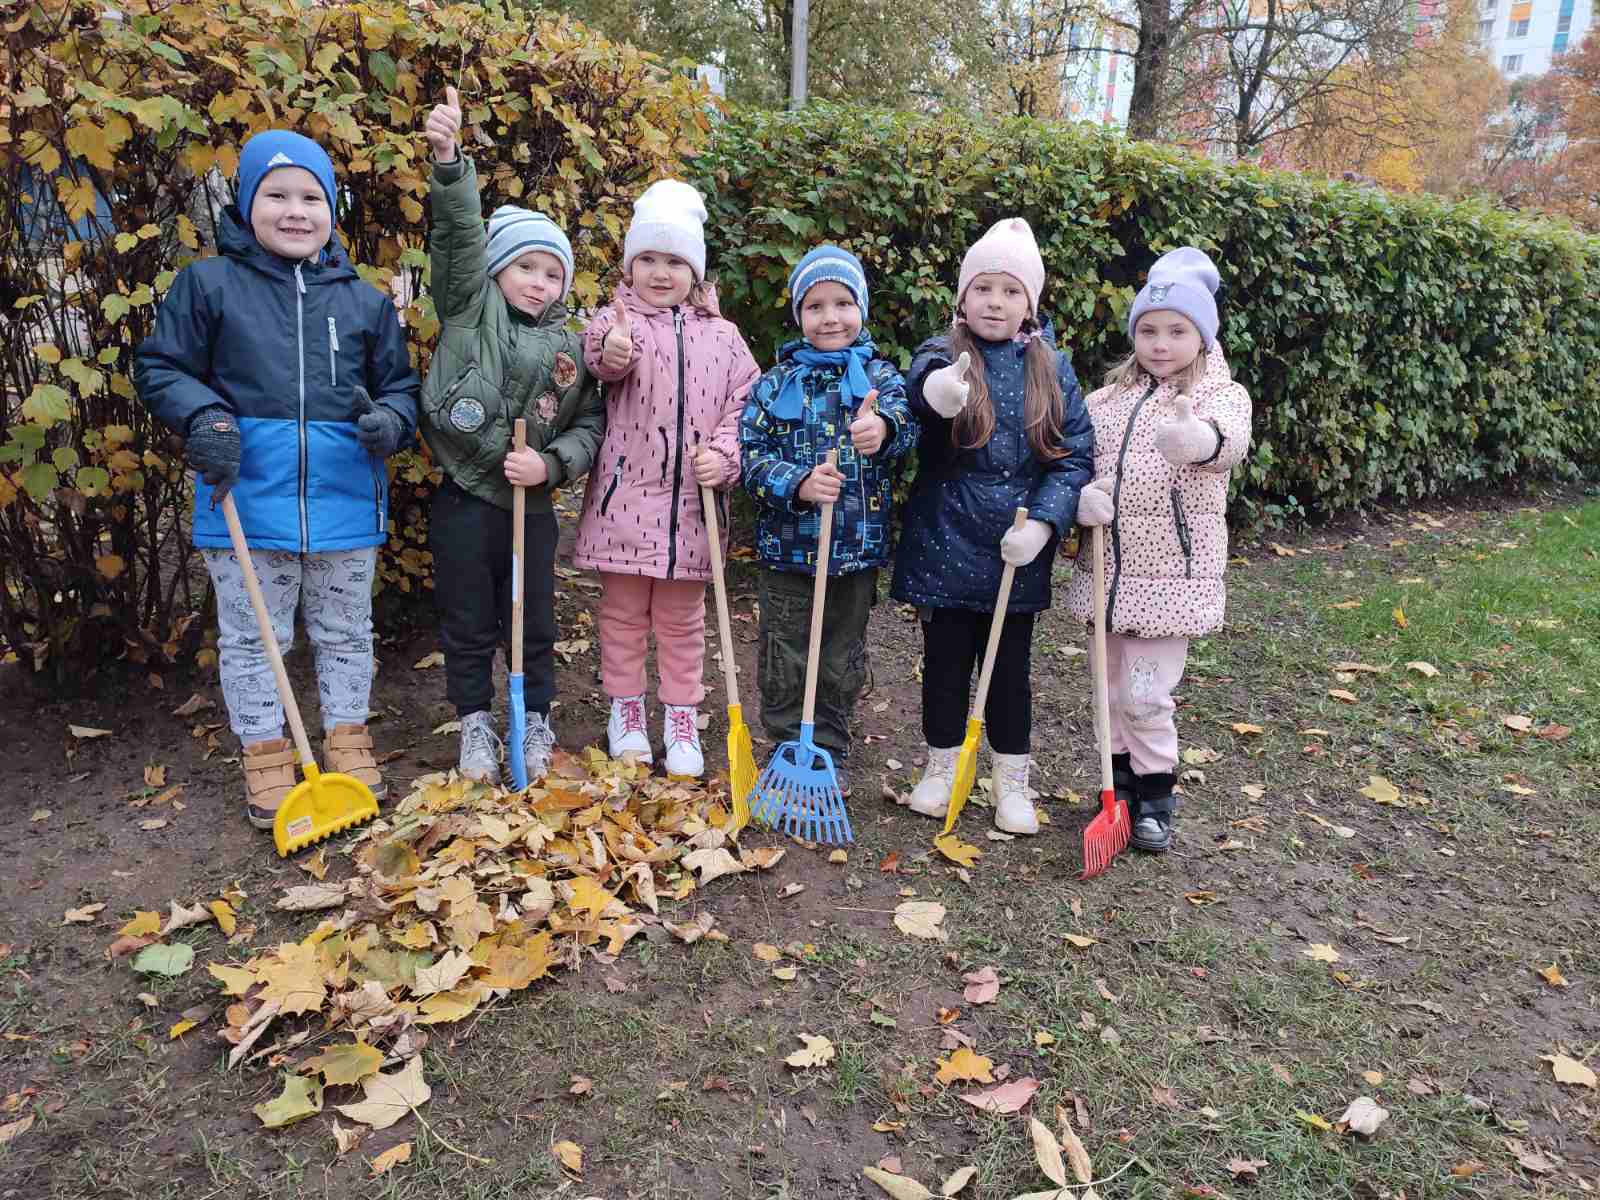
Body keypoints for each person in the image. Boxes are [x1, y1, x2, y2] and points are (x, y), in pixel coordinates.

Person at [136, 129, 420, 831]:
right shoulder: (210, 286)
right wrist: (205, 417)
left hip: (344, 501)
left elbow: (401, 389)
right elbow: (162, 367)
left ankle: (348, 736)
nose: (295, 211)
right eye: (276, 195)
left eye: (311, 198)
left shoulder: (363, 304)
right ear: (246, 202)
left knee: (347, 630)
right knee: (254, 636)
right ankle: (266, 749)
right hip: (243, 499)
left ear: (332, 210)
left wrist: (389, 421)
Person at [419, 88, 603, 783]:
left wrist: (552, 466)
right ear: (498, 270)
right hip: (467, 498)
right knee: (467, 617)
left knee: (535, 620)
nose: (539, 282)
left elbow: (589, 423)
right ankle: (474, 723)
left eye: (553, 272)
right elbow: (459, 235)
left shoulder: (574, 343)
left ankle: (535, 715)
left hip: (531, 507)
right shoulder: (469, 306)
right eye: (526, 266)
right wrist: (449, 161)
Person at [894, 218, 1094, 835]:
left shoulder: (1051, 368)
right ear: (962, 296)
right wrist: (937, 395)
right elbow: (917, 395)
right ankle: (941, 767)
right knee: (946, 664)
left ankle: (1012, 781)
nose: (995, 303)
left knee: (1009, 672)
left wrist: (1044, 524)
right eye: (983, 288)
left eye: (1011, 291)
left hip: (1016, 544)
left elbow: (1074, 454)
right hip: (946, 538)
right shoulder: (943, 352)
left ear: (1029, 302)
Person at [1064, 247, 1253, 852]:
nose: (1161, 343)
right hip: (1107, 570)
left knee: (1146, 693)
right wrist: (1079, 501)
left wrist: (1196, 438)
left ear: (1201, 336)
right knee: (1110, 686)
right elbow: (1076, 464)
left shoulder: (1221, 395)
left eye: (1177, 331)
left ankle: (1157, 796)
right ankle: (1115, 787)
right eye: (1148, 329)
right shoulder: (1105, 400)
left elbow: (1228, 441)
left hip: (1171, 576)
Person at [574, 180, 760, 776]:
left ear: (695, 268)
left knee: (683, 623)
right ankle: (626, 710)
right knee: (623, 617)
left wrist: (726, 457)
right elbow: (600, 354)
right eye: (647, 259)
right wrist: (616, 348)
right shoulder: (617, 319)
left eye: (675, 260)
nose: (660, 272)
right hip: (625, 502)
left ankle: (681, 716)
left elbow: (745, 401)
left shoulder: (724, 336)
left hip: (692, 509)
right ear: (630, 264)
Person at [739, 245, 917, 796]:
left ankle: (829, 750)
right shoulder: (775, 384)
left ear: (860, 308)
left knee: (841, 654)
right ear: (799, 315)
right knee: (786, 650)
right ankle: (786, 744)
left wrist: (882, 430)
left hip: (855, 550)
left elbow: (905, 425)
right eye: (815, 306)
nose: (830, 317)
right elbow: (752, 454)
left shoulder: (879, 378)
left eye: (842, 303)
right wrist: (796, 483)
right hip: (789, 549)